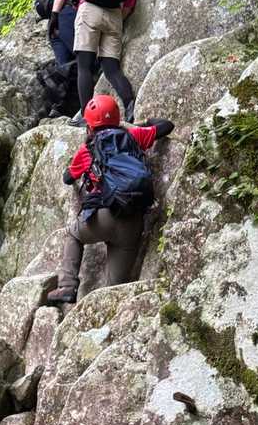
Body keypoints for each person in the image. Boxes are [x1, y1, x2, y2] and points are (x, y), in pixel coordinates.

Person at [46, 94, 174, 308]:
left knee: (73, 235)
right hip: (133, 223)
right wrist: (143, 124)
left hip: (102, 217)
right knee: (113, 292)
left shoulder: (87, 150)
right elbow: (166, 126)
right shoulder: (133, 136)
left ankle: (67, 286)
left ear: (89, 125)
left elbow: (68, 178)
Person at [50, 0, 138, 119]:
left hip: (89, 11)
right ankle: (130, 104)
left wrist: (54, 15)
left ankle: (86, 117)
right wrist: (119, 19)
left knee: (84, 67)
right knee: (112, 69)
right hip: (114, 15)